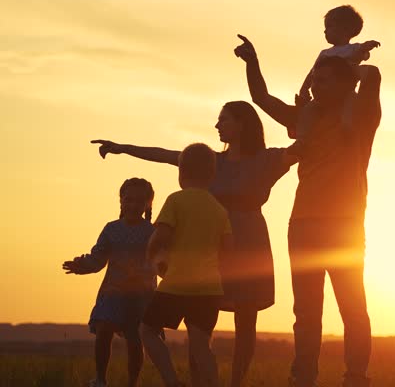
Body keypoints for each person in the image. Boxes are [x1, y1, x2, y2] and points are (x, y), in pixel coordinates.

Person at [91, 100, 296, 387]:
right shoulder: (211, 161)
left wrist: (310, 113)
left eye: (223, 120)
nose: (217, 125)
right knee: (197, 320)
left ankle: (236, 383)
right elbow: (164, 154)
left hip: (250, 243)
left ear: (242, 124)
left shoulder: (268, 159)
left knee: (246, 321)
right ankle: (198, 381)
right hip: (208, 245)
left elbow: (308, 146)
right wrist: (123, 147)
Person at [235, 34, 382, 387]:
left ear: (345, 83)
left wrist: (348, 68)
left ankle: (356, 377)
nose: (314, 84)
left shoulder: (362, 113)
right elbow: (261, 99)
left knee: (352, 307)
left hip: (345, 225)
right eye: (314, 78)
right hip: (303, 225)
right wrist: (252, 62)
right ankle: (303, 378)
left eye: (323, 79)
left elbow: (373, 73)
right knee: (306, 312)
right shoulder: (305, 117)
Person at [139, 143, 232, 387]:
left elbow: (160, 238)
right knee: (201, 345)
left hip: (176, 285)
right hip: (210, 289)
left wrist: (154, 259)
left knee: (147, 330)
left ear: (181, 172)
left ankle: (172, 382)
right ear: (212, 175)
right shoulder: (219, 210)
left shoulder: (176, 201)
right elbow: (228, 250)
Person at [62, 178, 158, 387]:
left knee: (134, 339)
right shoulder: (111, 229)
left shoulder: (152, 232)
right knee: (104, 328)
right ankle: (100, 379)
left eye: (139, 201)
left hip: (140, 296)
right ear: (121, 201)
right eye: (128, 200)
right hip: (113, 291)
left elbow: (157, 263)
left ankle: (132, 382)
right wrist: (82, 266)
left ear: (147, 204)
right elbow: (98, 259)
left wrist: (140, 274)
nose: (133, 205)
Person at [282, 5, 380, 150]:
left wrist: (367, 46)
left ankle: (347, 130)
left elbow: (361, 53)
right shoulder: (325, 54)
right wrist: (304, 89)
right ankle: (301, 139)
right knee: (308, 111)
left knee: (350, 106)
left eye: (329, 27)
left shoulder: (353, 49)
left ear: (345, 29)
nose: (325, 31)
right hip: (322, 96)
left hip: (346, 94)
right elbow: (312, 73)